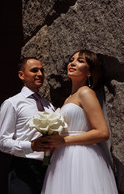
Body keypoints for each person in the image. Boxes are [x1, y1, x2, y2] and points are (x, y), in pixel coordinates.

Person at [41, 50, 118, 194]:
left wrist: (64, 141)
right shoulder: (68, 98)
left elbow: (102, 132)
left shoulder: (85, 93)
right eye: (71, 59)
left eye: (80, 61)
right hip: (62, 158)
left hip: (81, 158)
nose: (72, 63)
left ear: (89, 72)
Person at [0, 57, 55, 194]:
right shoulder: (12, 103)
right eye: (34, 70)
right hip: (24, 168)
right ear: (21, 75)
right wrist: (31, 146)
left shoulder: (49, 106)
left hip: (50, 168)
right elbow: (3, 143)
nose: (40, 74)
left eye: (42, 70)